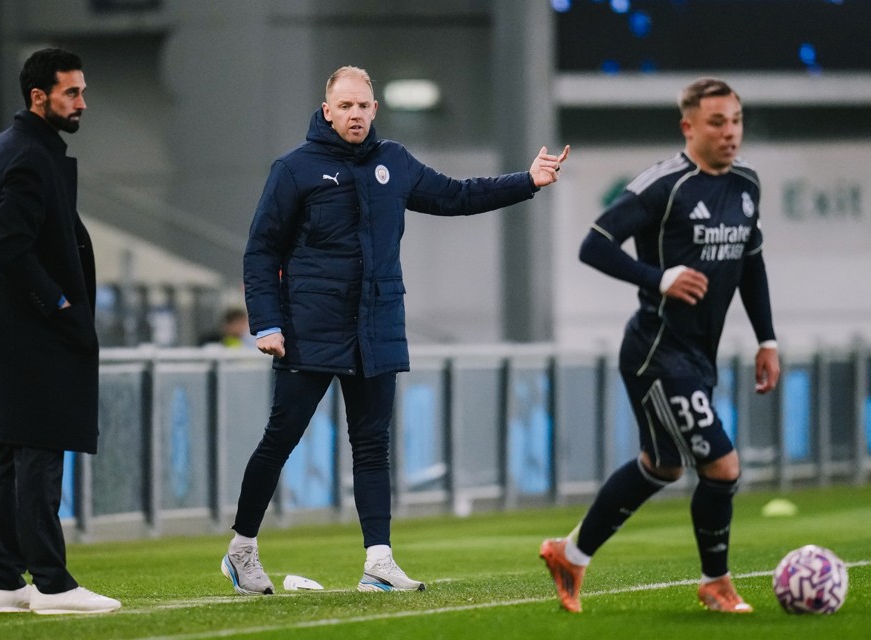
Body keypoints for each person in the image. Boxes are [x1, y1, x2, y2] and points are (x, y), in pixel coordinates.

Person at [223, 65, 569, 595]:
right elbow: (261, 250)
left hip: (376, 326)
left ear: (374, 109)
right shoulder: (295, 168)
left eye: (363, 106)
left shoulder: (394, 162)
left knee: (372, 446)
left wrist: (528, 181)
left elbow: (456, 195)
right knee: (280, 441)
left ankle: (378, 563)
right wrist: (266, 321)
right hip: (309, 328)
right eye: (345, 106)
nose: (355, 114)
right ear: (327, 109)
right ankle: (241, 550)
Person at [540, 77, 780, 614]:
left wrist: (767, 338)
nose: (730, 132)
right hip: (657, 352)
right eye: (717, 122)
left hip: (697, 354)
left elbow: (752, 263)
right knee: (722, 467)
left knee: (663, 465)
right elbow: (593, 245)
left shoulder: (746, 184)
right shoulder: (662, 185)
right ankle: (716, 583)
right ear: (688, 127)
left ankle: (570, 554)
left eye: (736, 120)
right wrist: (659, 277)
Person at [0, 47, 120, 615]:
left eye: (82, 90)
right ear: (39, 96)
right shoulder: (29, 155)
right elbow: (11, 249)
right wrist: (60, 307)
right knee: (37, 457)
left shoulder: (14, 147)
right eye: (72, 93)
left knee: (14, 454)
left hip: (16, 334)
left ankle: (3, 580)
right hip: (33, 336)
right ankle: (52, 584)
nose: (83, 102)